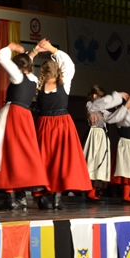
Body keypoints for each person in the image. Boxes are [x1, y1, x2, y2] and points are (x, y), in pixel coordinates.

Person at [0, 42, 49, 210]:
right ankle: (20, 196)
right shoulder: (33, 79)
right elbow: (27, 62)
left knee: (4, 151)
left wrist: (10, 48)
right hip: (26, 116)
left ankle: (10, 197)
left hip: (13, 114)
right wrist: (33, 52)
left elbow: (2, 58)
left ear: (17, 67)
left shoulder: (17, 76)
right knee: (21, 154)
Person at [33, 39, 92, 210]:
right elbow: (68, 64)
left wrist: (37, 51)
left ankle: (49, 195)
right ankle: (53, 196)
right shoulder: (61, 82)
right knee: (58, 160)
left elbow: (24, 67)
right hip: (57, 123)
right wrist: (51, 49)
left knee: (47, 159)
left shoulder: (40, 85)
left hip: (49, 124)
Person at [83, 84, 119, 202]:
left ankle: (94, 191)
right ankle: (89, 190)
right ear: (95, 96)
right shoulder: (90, 105)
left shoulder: (102, 109)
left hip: (102, 135)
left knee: (100, 160)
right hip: (94, 134)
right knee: (92, 160)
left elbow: (110, 117)